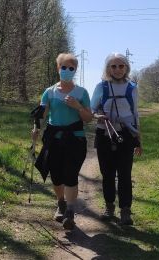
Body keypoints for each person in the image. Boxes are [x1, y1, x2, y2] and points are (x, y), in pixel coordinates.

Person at [32, 53, 92, 230]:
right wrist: (36, 128)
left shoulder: (82, 92)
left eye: (71, 68)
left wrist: (77, 106)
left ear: (75, 70)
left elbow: (88, 118)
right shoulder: (49, 92)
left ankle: (70, 212)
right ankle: (61, 203)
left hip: (75, 139)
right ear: (58, 69)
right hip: (53, 139)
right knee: (57, 176)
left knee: (71, 174)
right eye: (63, 67)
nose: (67, 70)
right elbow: (41, 115)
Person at [91, 53, 142, 225]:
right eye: (113, 66)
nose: (118, 69)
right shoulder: (101, 87)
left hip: (126, 135)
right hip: (104, 135)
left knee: (125, 174)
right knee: (107, 174)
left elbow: (135, 114)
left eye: (121, 66)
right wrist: (99, 116)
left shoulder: (132, 87)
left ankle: (125, 211)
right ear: (108, 68)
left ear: (127, 67)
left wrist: (138, 140)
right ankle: (109, 206)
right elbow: (91, 110)